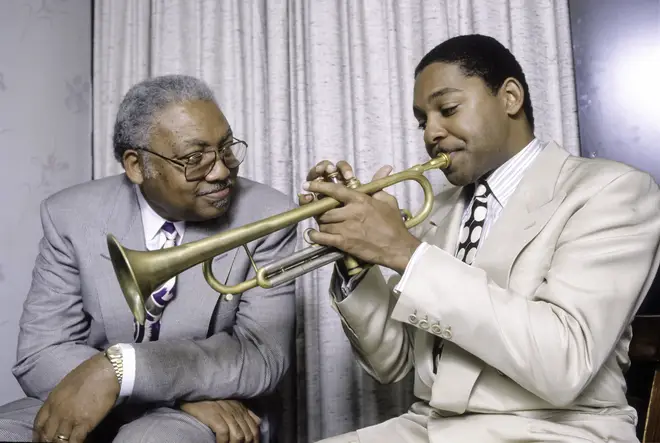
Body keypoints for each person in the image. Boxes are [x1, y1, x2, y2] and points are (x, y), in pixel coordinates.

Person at [300, 34, 660, 443]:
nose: (431, 132)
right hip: (431, 426)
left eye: (448, 109)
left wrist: (404, 252)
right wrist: (358, 259)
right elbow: (391, 364)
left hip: (557, 430)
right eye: (423, 121)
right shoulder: (437, 210)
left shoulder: (612, 191)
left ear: (509, 97)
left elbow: (564, 364)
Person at [0, 74, 296, 443]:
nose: (221, 171)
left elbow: (262, 357)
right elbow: (39, 355)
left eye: (226, 148)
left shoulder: (267, 214)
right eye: (194, 158)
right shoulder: (70, 215)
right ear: (136, 166)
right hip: (123, 392)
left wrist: (125, 373)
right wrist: (142, 387)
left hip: (220, 405)